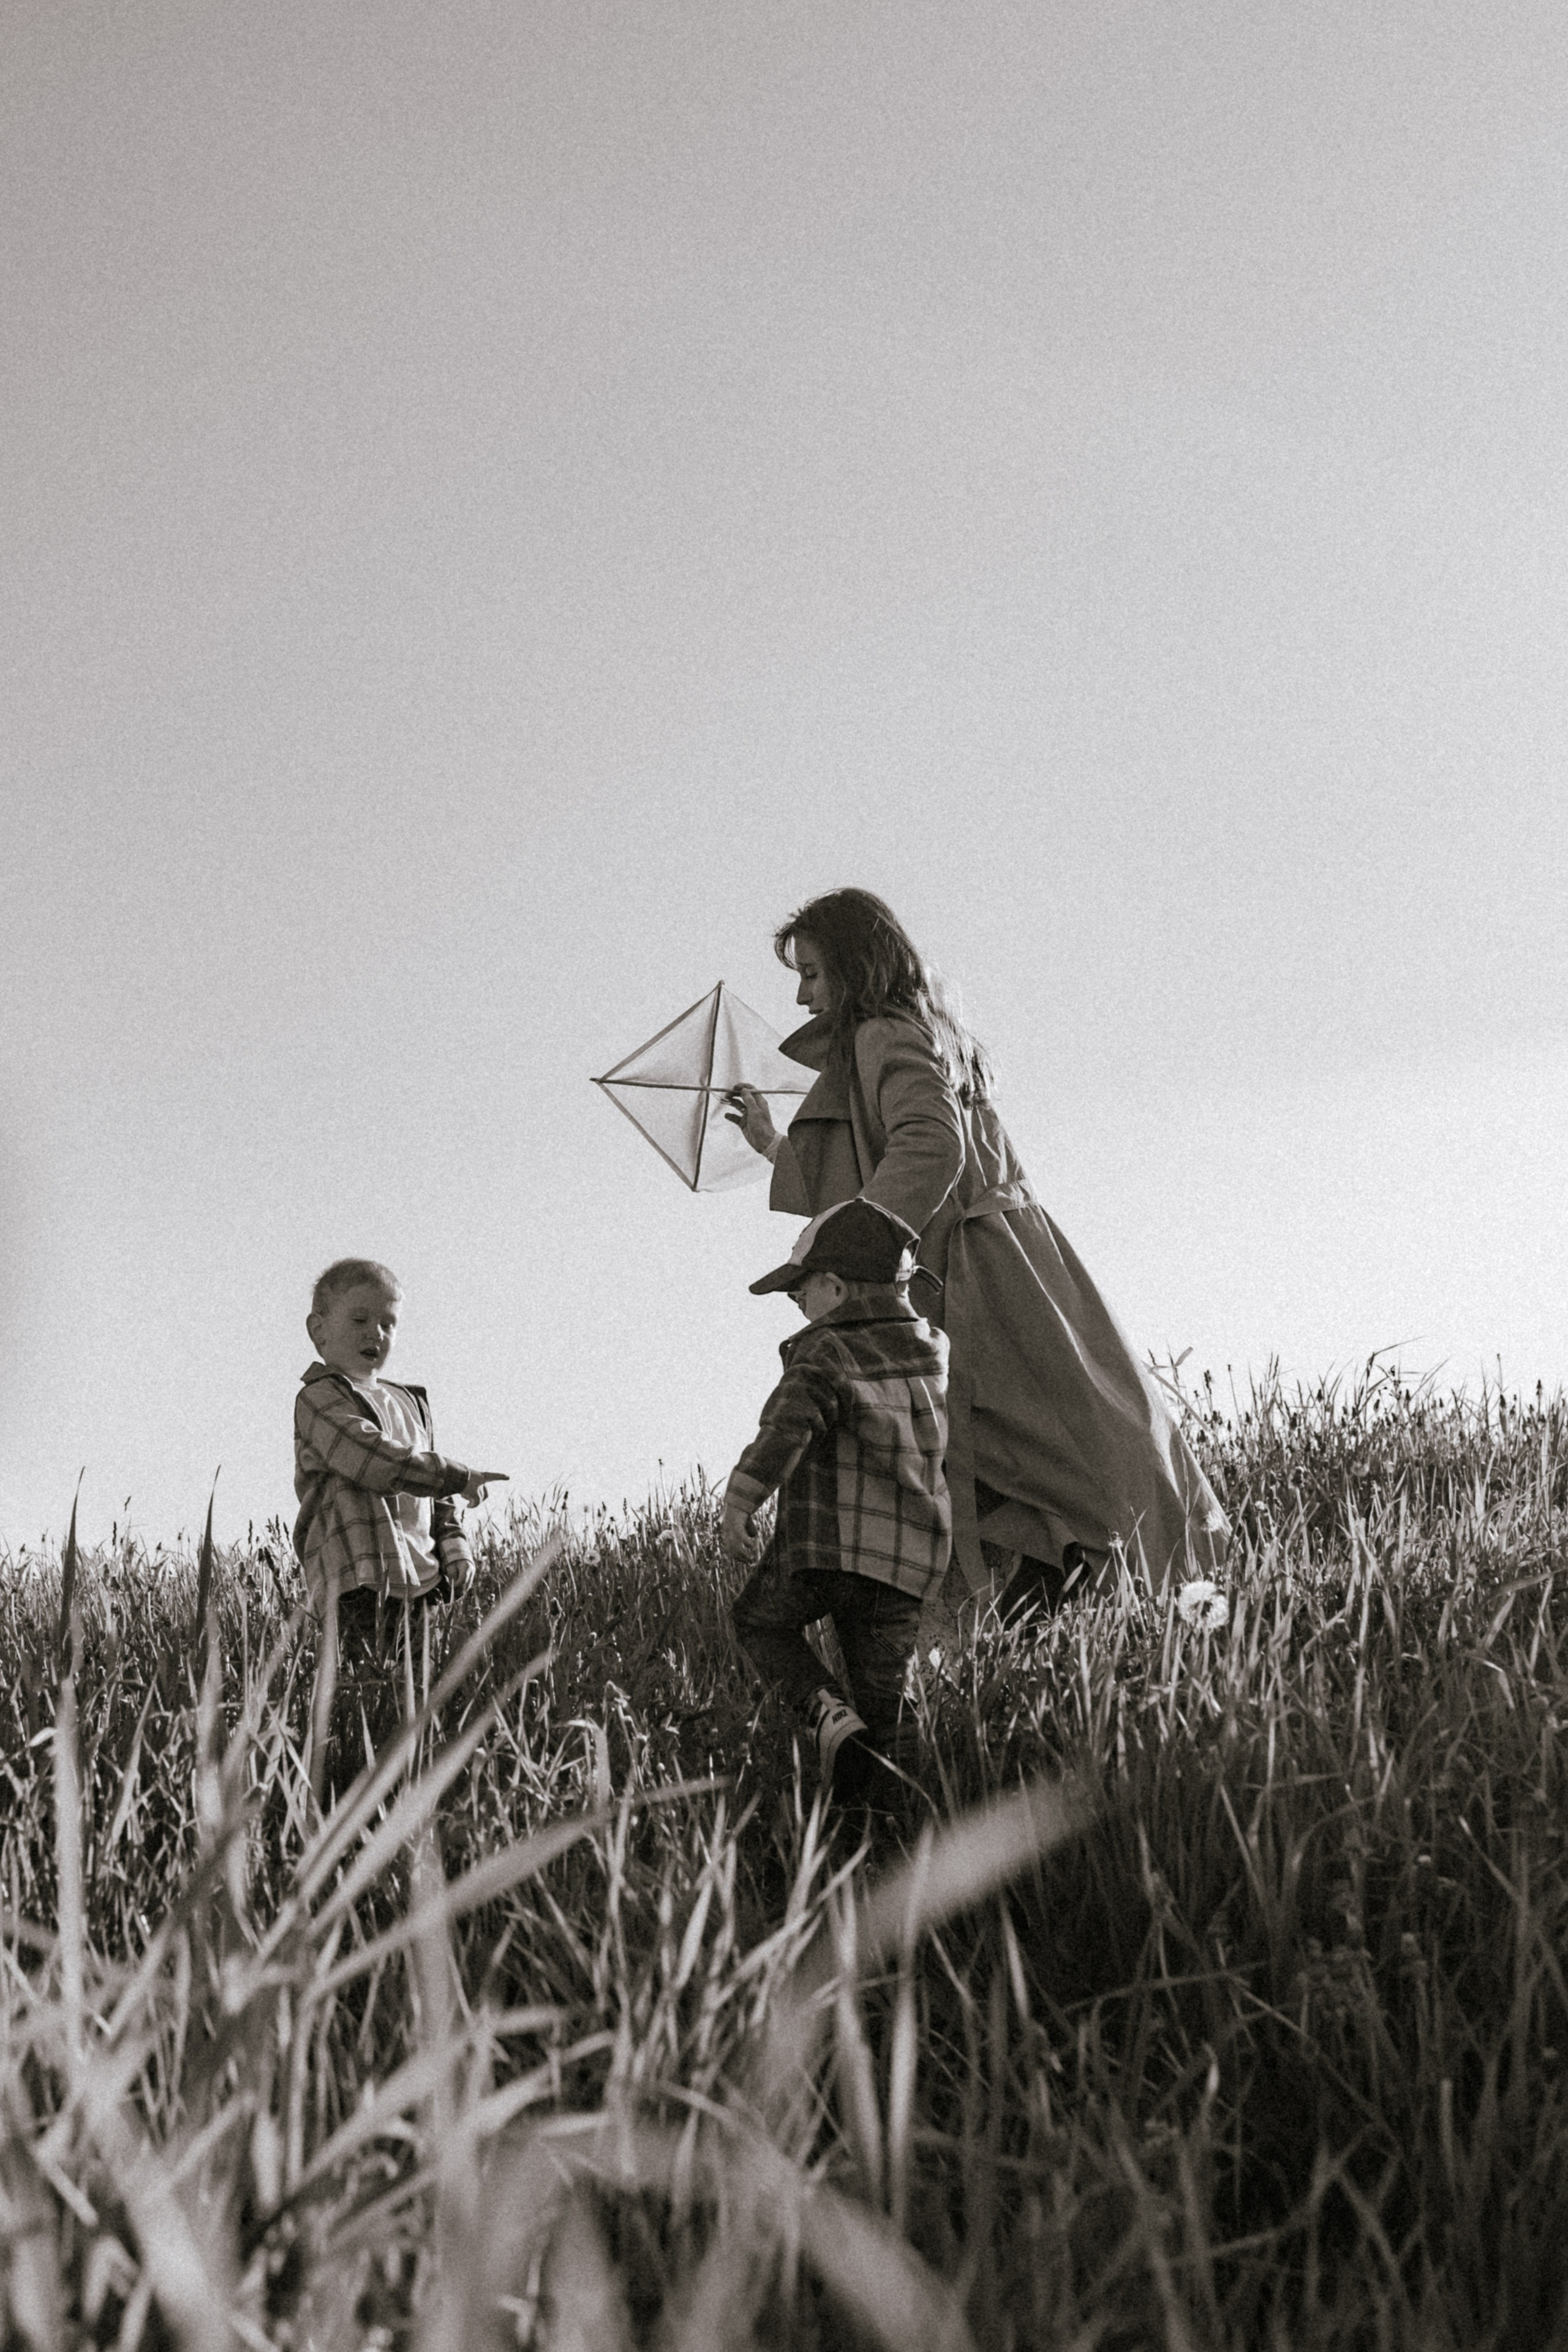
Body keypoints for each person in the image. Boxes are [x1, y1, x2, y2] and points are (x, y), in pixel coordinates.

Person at [726, 889, 1227, 1610]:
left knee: (1024, 1440)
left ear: (853, 968)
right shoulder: (913, 1028)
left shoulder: (882, 1033)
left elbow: (930, 1144)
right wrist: (773, 1143)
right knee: (1058, 1430)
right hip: (1000, 1255)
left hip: (972, 1267)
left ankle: (1139, 1584)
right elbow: (884, 1157)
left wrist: (866, 1245)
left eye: (811, 974)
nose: (802, 997)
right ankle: (1098, 1588)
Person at [721, 1197, 950, 1801]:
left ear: (836, 1286)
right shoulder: (932, 1351)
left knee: (758, 1621)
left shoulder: (828, 1350)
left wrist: (740, 1500)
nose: (795, 1301)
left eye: (802, 1289)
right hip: (905, 1560)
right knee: (891, 1705)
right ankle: (903, 1824)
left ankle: (829, 1718)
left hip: (825, 1546)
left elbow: (787, 1430)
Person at [293, 1257, 507, 1795]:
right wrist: (455, 1476)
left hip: (419, 1582)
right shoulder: (319, 1398)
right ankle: (355, 1793)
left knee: (417, 1698)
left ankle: (414, 1791)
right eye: (360, 1320)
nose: (376, 1334)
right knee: (367, 1693)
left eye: (388, 1323)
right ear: (319, 1330)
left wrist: (454, 1543)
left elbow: (435, 1498)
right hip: (358, 1581)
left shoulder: (409, 1402)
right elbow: (373, 1458)